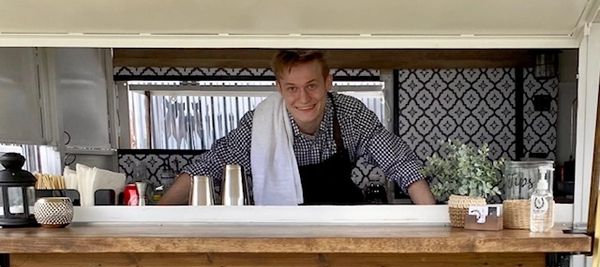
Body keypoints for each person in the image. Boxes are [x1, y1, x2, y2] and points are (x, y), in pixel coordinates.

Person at [159, 50, 435, 205]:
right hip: (283, 231)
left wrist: (432, 224)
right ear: (278, 88)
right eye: (292, 88)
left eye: (312, 86)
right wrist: (158, 217)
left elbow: (401, 164)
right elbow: (209, 167)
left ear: (328, 82)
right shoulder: (259, 124)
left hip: (345, 227)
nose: (303, 99)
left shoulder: (351, 114)